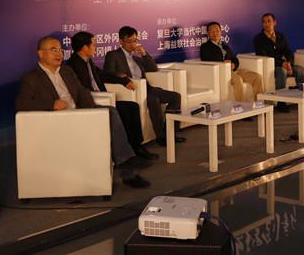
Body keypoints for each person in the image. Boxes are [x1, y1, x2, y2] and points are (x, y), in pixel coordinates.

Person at [16, 36, 151, 188]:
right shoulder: (31, 78)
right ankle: (127, 164)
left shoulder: (66, 71)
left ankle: (127, 165)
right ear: (40, 53)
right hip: (58, 120)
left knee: (110, 112)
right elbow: (21, 104)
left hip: (80, 113)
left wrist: (91, 110)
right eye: (53, 50)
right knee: (112, 114)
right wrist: (51, 104)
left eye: (60, 49)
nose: (59, 53)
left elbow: (81, 91)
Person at [67, 31, 158, 161]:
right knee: (123, 110)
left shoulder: (88, 61)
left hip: (103, 97)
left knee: (132, 106)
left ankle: (137, 146)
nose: (96, 48)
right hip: (93, 100)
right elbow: (81, 90)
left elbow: (103, 75)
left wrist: (123, 80)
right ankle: (128, 153)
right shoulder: (73, 65)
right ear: (85, 47)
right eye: (93, 45)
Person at [103, 26, 185, 147]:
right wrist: (124, 79)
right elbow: (108, 73)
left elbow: (153, 68)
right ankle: (161, 137)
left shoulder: (136, 57)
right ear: (121, 41)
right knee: (153, 100)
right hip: (133, 90)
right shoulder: (113, 55)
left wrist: (144, 54)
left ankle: (170, 132)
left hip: (147, 88)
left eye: (135, 40)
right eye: (129, 41)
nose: (133, 44)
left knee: (175, 97)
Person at [200, 22, 264, 102]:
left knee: (257, 77)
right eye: (212, 31)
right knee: (238, 80)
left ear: (220, 32)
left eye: (217, 31)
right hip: (223, 72)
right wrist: (223, 63)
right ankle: (241, 107)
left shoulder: (224, 46)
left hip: (234, 70)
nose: (215, 33)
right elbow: (207, 59)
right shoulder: (205, 47)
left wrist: (234, 64)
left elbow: (234, 58)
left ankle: (258, 104)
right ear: (208, 33)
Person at [253, 13, 304, 90]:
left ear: (274, 23)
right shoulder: (258, 39)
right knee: (282, 71)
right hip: (271, 66)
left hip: (283, 64)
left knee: (300, 70)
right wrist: (282, 64)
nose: (266, 24)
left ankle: (303, 93)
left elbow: (288, 51)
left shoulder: (280, 36)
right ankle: (280, 97)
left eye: (269, 21)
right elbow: (264, 57)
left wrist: (289, 63)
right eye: (264, 22)